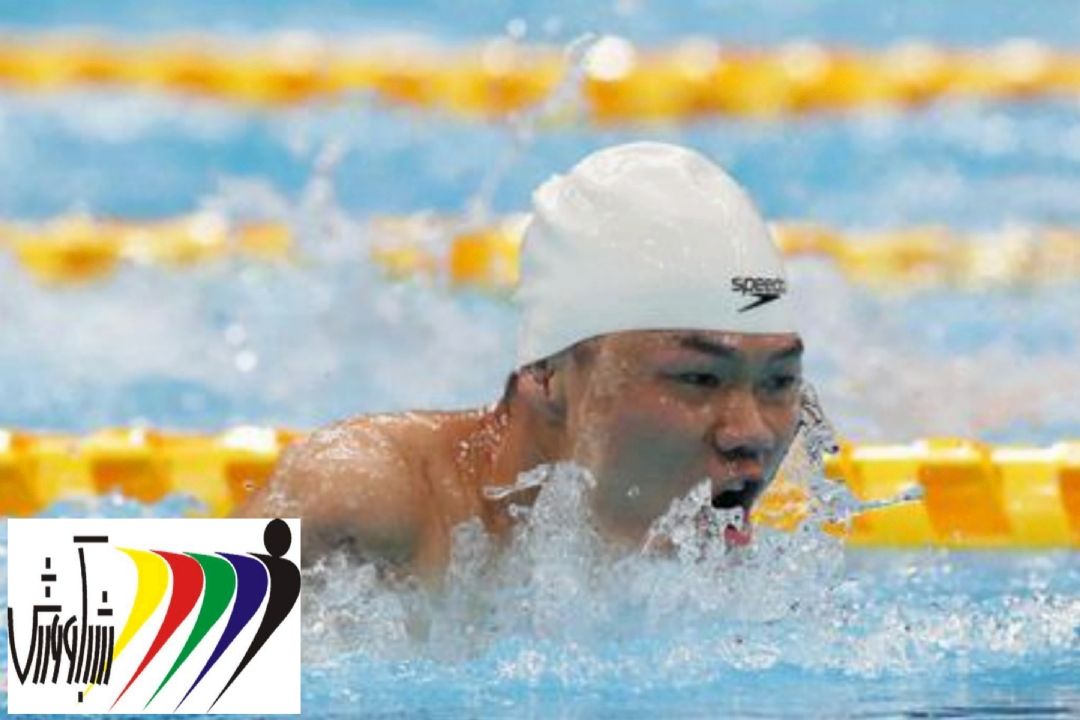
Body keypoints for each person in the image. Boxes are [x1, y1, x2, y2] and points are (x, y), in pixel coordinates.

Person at [234, 141, 804, 583]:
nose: (752, 433)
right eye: (699, 378)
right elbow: (176, 668)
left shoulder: (725, 593)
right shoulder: (364, 501)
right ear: (549, 375)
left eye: (778, 381)